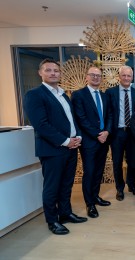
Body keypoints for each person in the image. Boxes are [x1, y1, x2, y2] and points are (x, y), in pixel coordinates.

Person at [24, 58, 87, 235]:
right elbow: (41, 125)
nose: (53, 73)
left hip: (71, 147)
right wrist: (66, 141)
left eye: (56, 71)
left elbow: (70, 120)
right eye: (48, 70)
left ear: (60, 73)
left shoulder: (63, 94)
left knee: (67, 184)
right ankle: (52, 221)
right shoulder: (35, 94)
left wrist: (77, 137)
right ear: (40, 73)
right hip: (53, 149)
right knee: (52, 187)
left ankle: (65, 214)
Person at [72, 66, 113, 218]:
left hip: (104, 140)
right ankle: (89, 203)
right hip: (89, 141)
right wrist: (97, 134)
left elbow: (109, 115)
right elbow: (81, 119)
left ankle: (95, 197)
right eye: (93, 75)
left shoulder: (104, 96)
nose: (96, 78)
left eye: (98, 75)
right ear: (86, 77)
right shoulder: (78, 95)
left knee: (98, 171)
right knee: (89, 172)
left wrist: (107, 132)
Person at [106, 66, 135, 201]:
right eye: (123, 75)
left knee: (132, 160)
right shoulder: (110, 92)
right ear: (119, 77)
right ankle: (120, 188)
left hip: (132, 133)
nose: (126, 78)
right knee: (117, 161)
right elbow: (107, 113)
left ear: (132, 77)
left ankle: (131, 184)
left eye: (129, 76)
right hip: (117, 133)